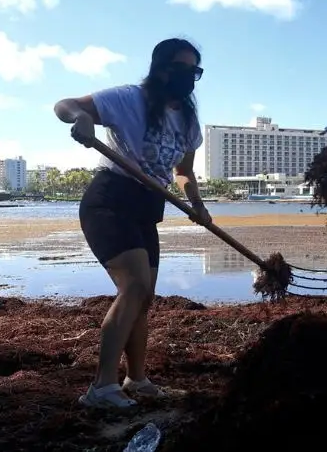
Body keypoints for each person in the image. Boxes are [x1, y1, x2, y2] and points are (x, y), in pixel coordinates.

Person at [54, 38, 211, 409]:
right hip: (110, 200)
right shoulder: (130, 99)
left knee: (144, 299)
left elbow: (183, 171)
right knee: (135, 286)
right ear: (161, 69)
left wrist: (198, 206)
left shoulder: (188, 120)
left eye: (195, 72)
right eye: (182, 69)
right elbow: (65, 104)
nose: (189, 78)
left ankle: (136, 380)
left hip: (147, 207)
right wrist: (83, 117)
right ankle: (101, 387)